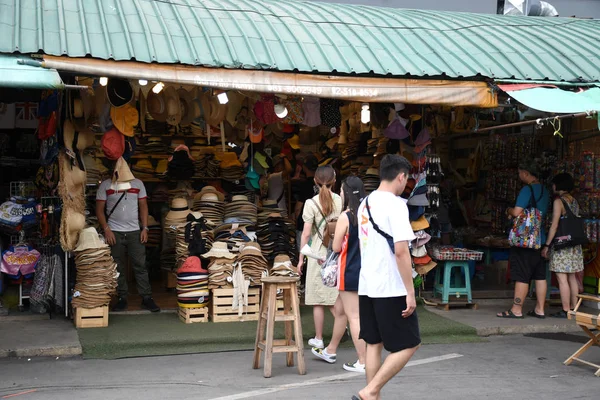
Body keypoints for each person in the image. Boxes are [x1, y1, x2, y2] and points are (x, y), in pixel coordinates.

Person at [353, 155, 420, 400]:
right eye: (406, 179)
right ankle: (370, 391)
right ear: (401, 176)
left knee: (374, 343)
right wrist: (410, 292)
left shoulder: (364, 203)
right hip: (390, 286)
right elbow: (402, 251)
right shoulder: (396, 205)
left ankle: (372, 396)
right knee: (411, 342)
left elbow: (363, 246)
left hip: (367, 284)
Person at [311, 176, 367, 373]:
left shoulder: (347, 216)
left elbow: (335, 246)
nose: (340, 194)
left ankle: (363, 361)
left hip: (348, 269)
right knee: (340, 309)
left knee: (354, 317)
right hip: (364, 269)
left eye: (342, 191)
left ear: (347, 193)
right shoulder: (367, 215)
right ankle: (330, 350)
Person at [96, 158, 160, 312]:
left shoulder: (137, 184)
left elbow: (143, 206)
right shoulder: (106, 185)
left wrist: (145, 228)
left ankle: (146, 297)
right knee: (117, 265)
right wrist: (106, 229)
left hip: (134, 231)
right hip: (114, 231)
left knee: (140, 265)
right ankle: (122, 297)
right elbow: (99, 209)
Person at [297, 164, 344, 350]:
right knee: (335, 296)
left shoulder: (311, 203)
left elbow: (306, 235)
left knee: (318, 299)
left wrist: (301, 259)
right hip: (336, 251)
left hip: (317, 253)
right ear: (334, 180)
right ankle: (344, 327)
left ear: (315, 181)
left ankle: (318, 338)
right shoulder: (340, 200)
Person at [497, 160, 549, 319]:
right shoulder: (545, 191)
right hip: (539, 239)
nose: (519, 176)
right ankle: (540, 309)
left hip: (524, 240)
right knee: (540, 275)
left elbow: (516, 212)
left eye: (520, 173)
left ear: (526, 173)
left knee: (522, 275)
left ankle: (516, 309)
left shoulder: (527, 190)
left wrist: (508, 210)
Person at [541, 173, 584, 318]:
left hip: (562, 244)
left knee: (561, 278)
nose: (552, 186)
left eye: (554, 184)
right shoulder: (574, 201)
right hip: (574, 245)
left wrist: (547, 245)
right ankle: (574, 308)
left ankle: (566, 310)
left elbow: (554, 225)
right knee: (572, 277)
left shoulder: (559, 201)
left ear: (558, 185)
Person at [292, 154, 319, 251]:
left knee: (303, 252)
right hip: (318, 224)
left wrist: (296, 220)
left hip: (304, 223)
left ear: (304, 167)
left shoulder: (305, 185)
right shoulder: (321, 185)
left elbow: (298, 208)